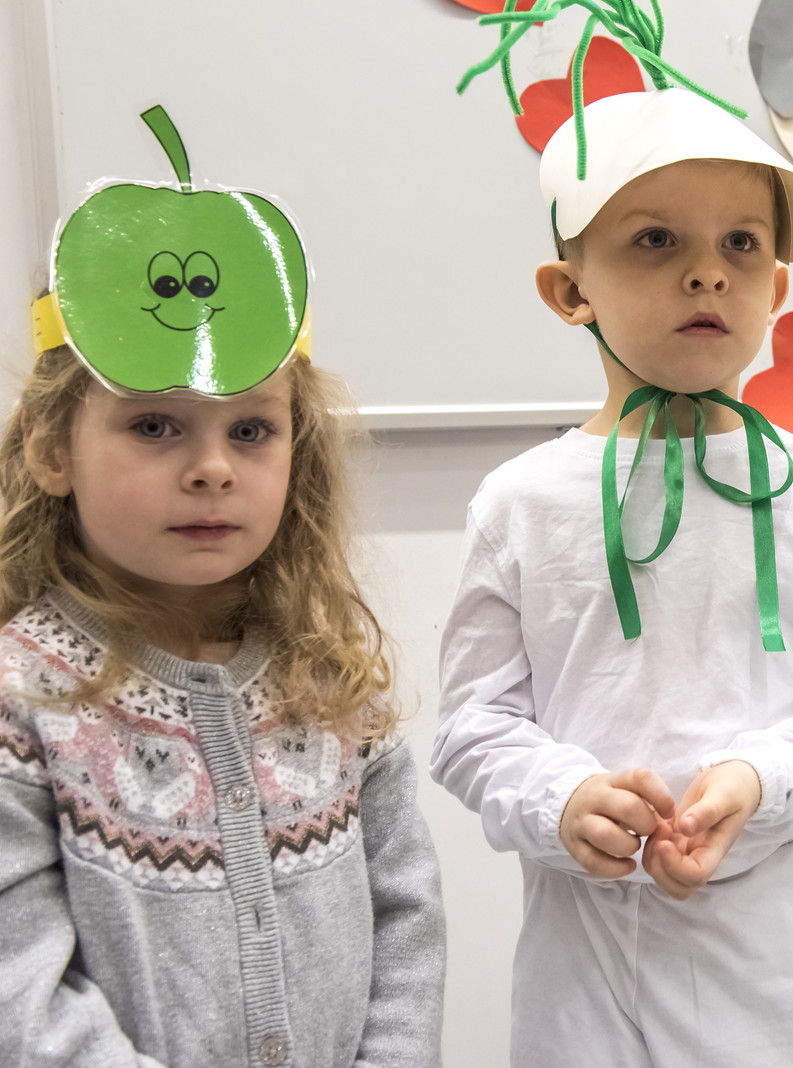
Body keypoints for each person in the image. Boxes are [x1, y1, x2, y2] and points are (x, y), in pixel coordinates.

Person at [431, 21, 793, 1066]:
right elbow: (474, 726)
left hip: (780, 990)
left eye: (741, 244)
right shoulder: (519, 503)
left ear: (776, 290)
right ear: (570, 291)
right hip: (584, 995)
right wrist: (561, 799)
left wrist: (760, 779)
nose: (708, 273)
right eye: (656, 240)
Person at [0, 106, 445, 1067]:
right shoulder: (20, 701)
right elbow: (20, 997)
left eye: (251, 431)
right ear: (50, 448)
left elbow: (406, 918)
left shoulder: (329, 680)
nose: (212, 468)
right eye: (154, 426)